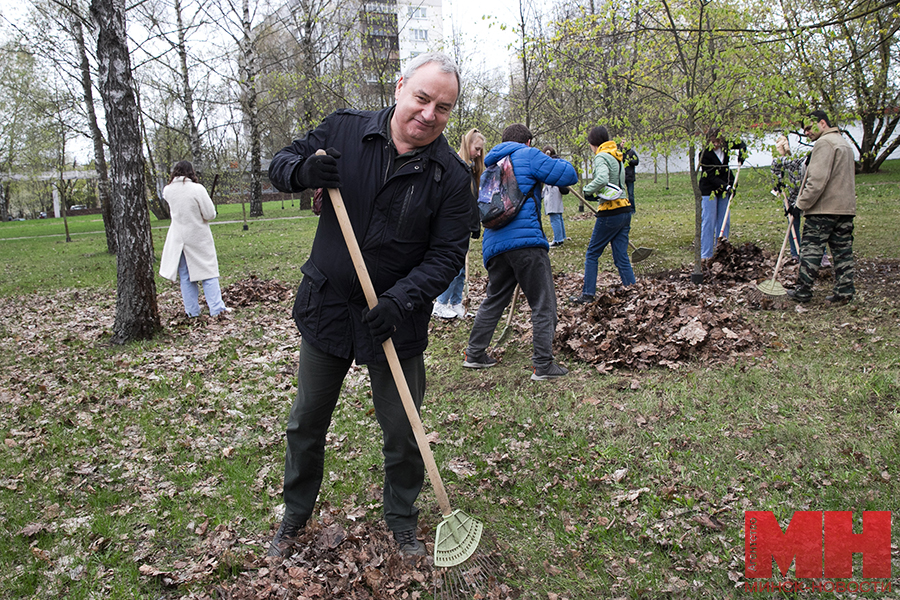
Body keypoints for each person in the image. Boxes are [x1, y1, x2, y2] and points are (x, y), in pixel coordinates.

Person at [265, 52, 472, 558]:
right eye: (422, 98)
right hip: (329, 307)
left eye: (443, 108)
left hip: (395, 322)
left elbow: (448, 254)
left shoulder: (450, 175)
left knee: (404, 431)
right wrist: (305, 170)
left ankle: (402, 519)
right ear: (400, 87)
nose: (428, 114)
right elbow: (279, 164)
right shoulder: (343, 132)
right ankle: (294, 516)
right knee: (307, 421)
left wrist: (400, 301)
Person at [463, 124, 577, 381]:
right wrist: (551, 160)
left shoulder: (490, 164)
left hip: (494, 246)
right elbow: (569, 175)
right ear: (526, 141)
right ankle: (543, 364)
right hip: (526, 244)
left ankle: (474, 354)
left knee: (494, 300)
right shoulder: (529, 155)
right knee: (543, 302)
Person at [786, 110, 856, 304]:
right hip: (844, 208)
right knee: (842, 251)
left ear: (822, 123)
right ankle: (845, 291)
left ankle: (803, 291)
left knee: (810, 249)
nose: (806, 133)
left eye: (809, 128)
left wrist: (799, 205)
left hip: (824, 208)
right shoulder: (843, 142)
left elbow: (817, 180)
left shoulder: (824, 143)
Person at [571, 126, 635, 304]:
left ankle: (588, 295)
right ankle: (634, 292)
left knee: (592, 254)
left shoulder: (600, 156)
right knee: (621, 256)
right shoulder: (617, 156)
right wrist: (597, 194)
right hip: (624, 210)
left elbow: (602, 180)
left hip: (610, 212)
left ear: (593, 143)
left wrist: (587, 190)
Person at [158, 160, 230, 317]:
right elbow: (210, 214)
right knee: (208, 273)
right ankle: (217, 309)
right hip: (198, 236)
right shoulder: (197, 189)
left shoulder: (168, 190)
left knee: (186, 276)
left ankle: (192, 311)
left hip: (178, 238)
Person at [433, 128, 485, 320]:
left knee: (462, 268)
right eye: (477, 148)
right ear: (467, 144)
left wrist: (474, 225)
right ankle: (440, 303)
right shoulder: (455, 166)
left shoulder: (471, 170)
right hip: (453, 225)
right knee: (453, 266)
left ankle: (455, 302)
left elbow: (472, 201)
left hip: (466, 225)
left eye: (481, 150)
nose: (479, 153)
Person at [698, 129, 747, 261]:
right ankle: (706, 254)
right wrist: (726, 186)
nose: (715, 144)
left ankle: (722, 250)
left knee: (724, 219)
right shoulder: (704, 154)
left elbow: (741, 143)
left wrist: (742, 152)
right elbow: (710, 176)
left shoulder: (726, 146)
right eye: (712, 142)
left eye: (717, 141)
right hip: (709, 189)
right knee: (709, 220)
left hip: (726, 186)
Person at [771, 135, 805, 260]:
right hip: (790, 198)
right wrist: (778, 185)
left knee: (812, 224)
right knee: (792, 225)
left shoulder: (793, 163)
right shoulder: (777, 163)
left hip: (804, 195)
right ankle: (795, 254)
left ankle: (819, 255)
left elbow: (797, 185)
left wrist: (795, 204)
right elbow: (775, 176)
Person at [542, 146, 570, 247]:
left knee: (554, 216)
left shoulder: (551, 164)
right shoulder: (557, 163)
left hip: (553, 191)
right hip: (555, 190)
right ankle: (562, 236)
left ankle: (558, 239)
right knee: (558, 216)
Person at [620, 139, 639, 211]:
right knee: (620, 193)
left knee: (630, 194)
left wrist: (629, 160)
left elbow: (636, 162)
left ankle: (632, 209)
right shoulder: (620, 152)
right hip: (622, 176)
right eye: (621, 142)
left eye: (624, 142)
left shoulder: (631, 152)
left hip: (629, 176)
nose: (622, 144)